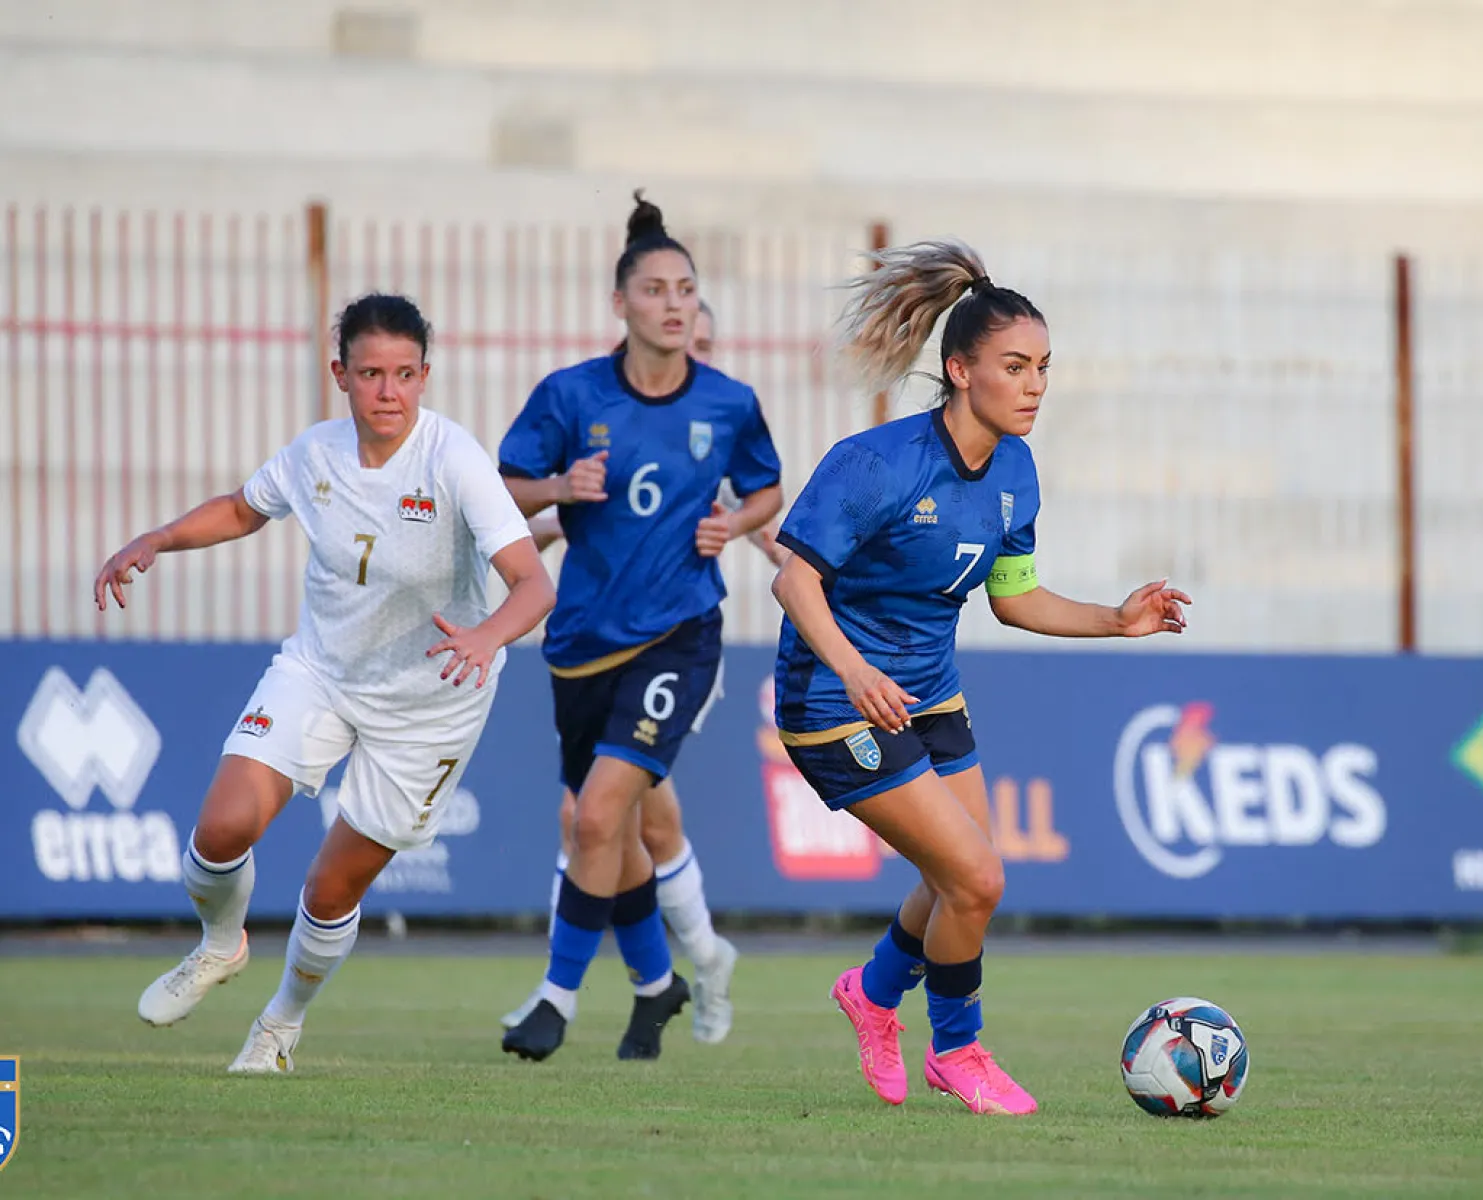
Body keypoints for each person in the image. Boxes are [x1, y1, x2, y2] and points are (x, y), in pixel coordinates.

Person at [769, 241, 1190, 1115]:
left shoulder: (1015, 471)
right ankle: (957, 1052)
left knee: (956, 876)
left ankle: (873, 994)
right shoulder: (878, 463)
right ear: (960, 371)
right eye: (1015, 366)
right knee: (978, 879)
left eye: (1043, 367)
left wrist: (1117, 619)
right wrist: (854, 670)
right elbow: (794, 580)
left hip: (929, 693)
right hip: (836, 702)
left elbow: (1015, 597)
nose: (1035, 385)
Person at [95, 293, 555, 1073]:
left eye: (404, 374)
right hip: (323, 672)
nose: (388, 391)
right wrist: (158, 539)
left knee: (331, 888)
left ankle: (280, 1024)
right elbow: (243, 510)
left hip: (431, 702)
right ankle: (219, 945)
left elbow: (533, 584)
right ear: (340, 374)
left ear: (425, 375)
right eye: (371, 373)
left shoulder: (454, 460)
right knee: (221, 831)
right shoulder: (316, 454)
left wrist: (486, 636)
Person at [497, 192, 783, 1062]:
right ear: (619, 302)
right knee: (613, 829)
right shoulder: (570, 395)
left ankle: (557, 998)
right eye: (655, 290)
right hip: (584, 645)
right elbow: (502, 490)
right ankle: (665, 980)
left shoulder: (728, 404)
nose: (674, 304)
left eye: (686, 290)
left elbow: (767, 492)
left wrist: (733, 525)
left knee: (596, 816)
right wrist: (558, 490)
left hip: (680, 637)